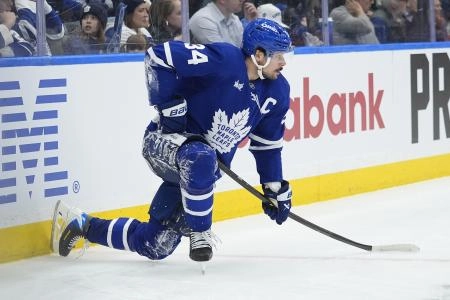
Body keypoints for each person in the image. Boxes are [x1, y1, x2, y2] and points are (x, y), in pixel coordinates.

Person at [51, 18, 293, 263]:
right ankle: (201, 231)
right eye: (279, 55)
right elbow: (159, 56)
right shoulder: (224, 60)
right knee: (200, 156)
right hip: (164, 142)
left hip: (200, 172)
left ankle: (81, 224)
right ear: (259, 55)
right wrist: (168, 106)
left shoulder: (278, 92)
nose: (284, 62)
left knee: (155, 245)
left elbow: (267, 145)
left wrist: (273, 188)